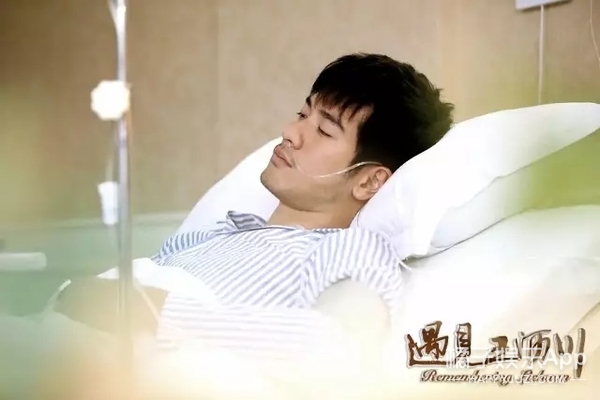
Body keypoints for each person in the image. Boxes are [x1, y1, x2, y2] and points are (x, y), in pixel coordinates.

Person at [54, 52, 454, 395]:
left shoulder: (349, 248)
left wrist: (152, 310)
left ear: (369, 181)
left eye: (323, 130)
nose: (290, 133)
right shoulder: (212, 234)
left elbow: (337, 347)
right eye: (302, 114)